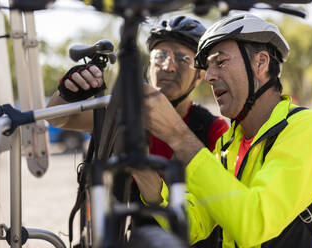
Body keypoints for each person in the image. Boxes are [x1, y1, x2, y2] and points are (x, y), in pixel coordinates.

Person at [142, 13, 312, 247]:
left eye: (220, 62)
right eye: (208, 67)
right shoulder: (227, 146)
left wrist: (178, 135)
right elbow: (192, 227)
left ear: (260, 62)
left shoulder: (308, 128)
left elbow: (256, 222)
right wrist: (144, 176)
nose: (209, 76)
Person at [47, 16, 229, 247]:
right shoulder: (122, 116)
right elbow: (56, 117)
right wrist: (68, 90)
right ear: (149, 65)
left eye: (183, 59)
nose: (168, 66)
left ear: (199, 75)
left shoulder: (214, 129)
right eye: (160, 56)